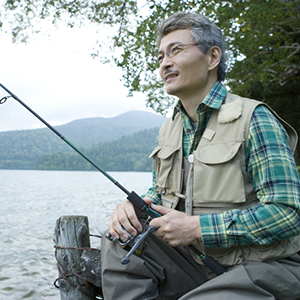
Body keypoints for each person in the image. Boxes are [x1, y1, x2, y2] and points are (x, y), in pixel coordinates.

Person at [101, 12, 300, 300]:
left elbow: (288, 214)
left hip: (264, 266)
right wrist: (132, 209)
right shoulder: (169, 130)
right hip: (195, 262)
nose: (165, 63)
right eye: (160, 57)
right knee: (118, 239)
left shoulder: (255, 118)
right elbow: (159, 194)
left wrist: (197, 228)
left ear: (212, 58)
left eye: (176, 50)